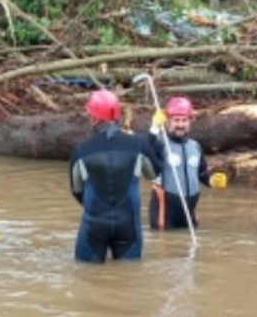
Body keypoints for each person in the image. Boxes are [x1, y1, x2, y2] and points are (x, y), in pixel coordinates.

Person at [68, 90, 160, 263]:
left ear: (94, 118)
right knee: (129, 280)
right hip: (128, 225)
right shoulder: (138, 144)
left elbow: (76, 190)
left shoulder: (81, 150)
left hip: (94, 224)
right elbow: (155, 173)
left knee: (87, 279)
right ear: (118, 116)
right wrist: (154, 134)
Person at [147, 97, 227, 230]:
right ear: (168, 121)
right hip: (164, 214)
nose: (180, 125)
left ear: (190, 121)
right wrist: (154, 128)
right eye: (176, 120)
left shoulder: (195, 146)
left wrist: (212, 180)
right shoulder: (160, 143)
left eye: (184, 120)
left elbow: (202, 173)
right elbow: (144, 156)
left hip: (189, 213)